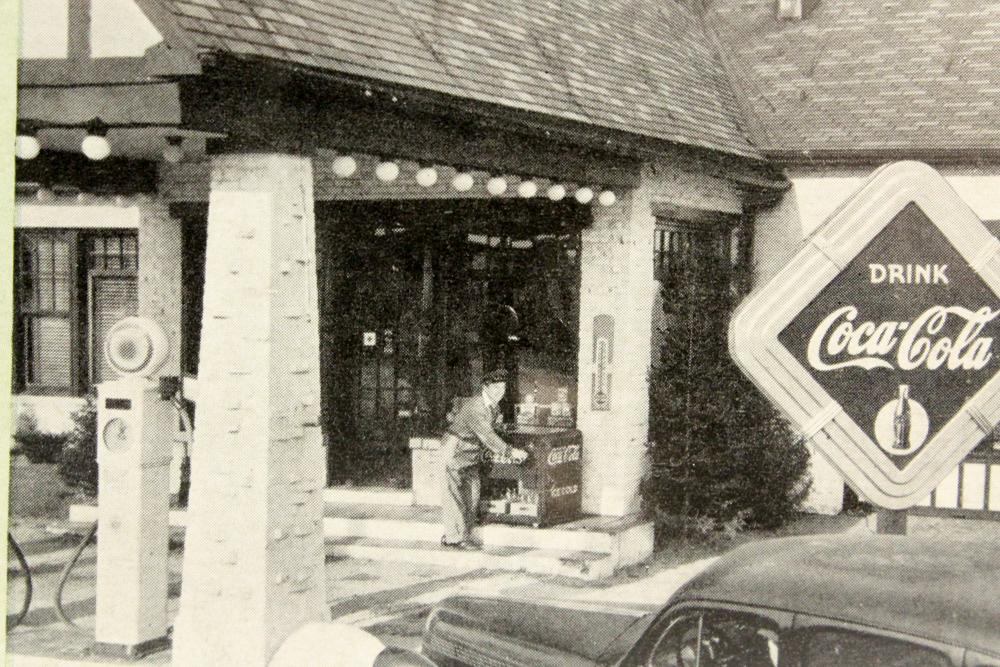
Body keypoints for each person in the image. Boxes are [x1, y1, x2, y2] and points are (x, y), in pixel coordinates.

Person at [440, 368, 528, 549]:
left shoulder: (493, 407)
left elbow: (491, 429)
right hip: (454, 450)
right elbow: (487, 435)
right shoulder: (476, 406)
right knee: (454, 495)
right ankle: (455, 538)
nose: (499, 392)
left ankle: (460, 533)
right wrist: (510, 452)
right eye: (495, 388)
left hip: (470, 453)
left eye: (502, 388)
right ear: (485, 387)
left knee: (472, 494)